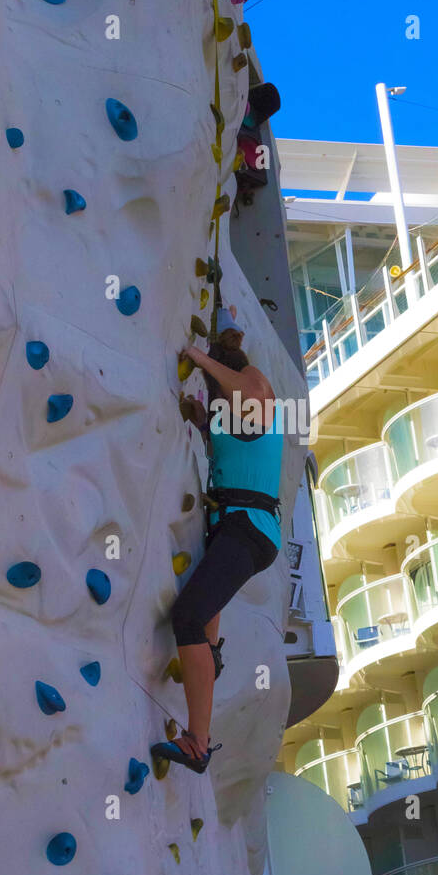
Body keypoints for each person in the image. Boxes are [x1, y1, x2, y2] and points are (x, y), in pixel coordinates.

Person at [151, 306, 283, 774]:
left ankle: (198, 743)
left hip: (249, 530)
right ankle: (211, 656)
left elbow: (251, 390)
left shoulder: (255, 386)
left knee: (188, 616)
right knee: (199, 619)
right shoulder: (234, 420)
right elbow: (232, 440)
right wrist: (203, 422)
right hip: (235, 530)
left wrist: (201, 358)